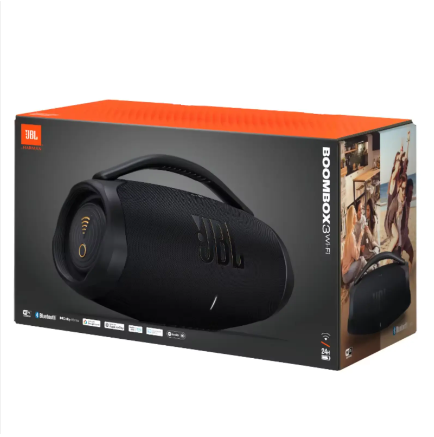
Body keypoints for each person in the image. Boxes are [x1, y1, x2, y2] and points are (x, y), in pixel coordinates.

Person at [342, 205, 366, 285]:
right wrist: (360, 237)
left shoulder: (349, 235)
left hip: (346, 273)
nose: (356, 215)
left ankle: (355, 282)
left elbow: (353, 253)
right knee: (361, 260)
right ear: (352, 217)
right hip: (346, 274)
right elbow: (356, 256)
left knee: (361, 262)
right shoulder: (351, 236)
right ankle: (373, 271)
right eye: (355, 214)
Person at [385, 174, 407, 255]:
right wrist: (392, 238)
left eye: (405, 189)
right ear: (399, 188)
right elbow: (388, 222)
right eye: (403, 189)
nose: (404, 192)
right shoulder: (395, 204)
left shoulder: (404, 201)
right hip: (395, 242)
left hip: (400, 241)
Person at [397, 178, 414, 271]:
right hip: (400, 239)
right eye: (410, 191)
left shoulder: (408, 203)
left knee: (411, 253)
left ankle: (409, 271)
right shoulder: (403, 203)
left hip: (405, 236)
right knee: (397, 263)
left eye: (412, 191)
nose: (411, 194)